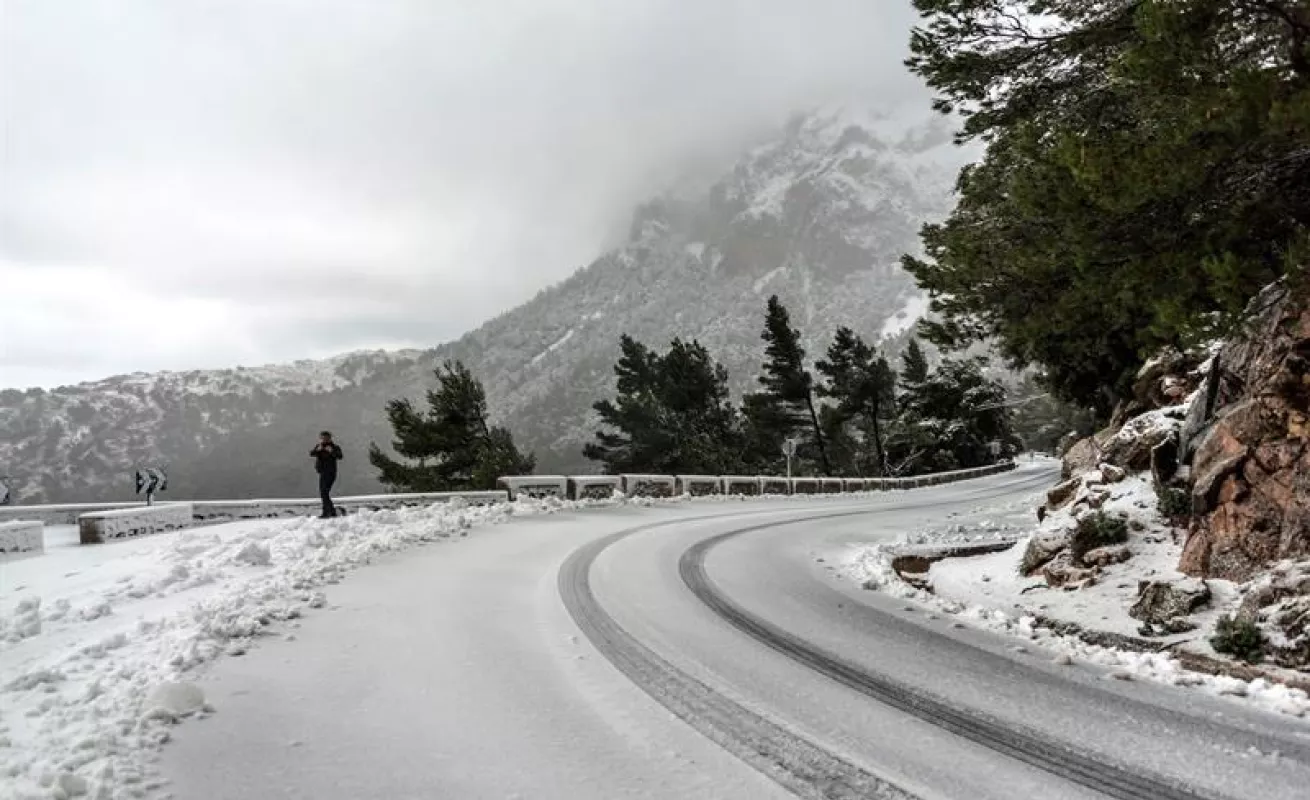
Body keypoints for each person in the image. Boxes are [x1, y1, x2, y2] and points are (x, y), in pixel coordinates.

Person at [310, 431, 344, 518]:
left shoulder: (334, 447)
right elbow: (311, 453)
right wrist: (317, 450)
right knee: (324, 493)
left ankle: (327, 512)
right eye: (322, 438)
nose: (324, 440)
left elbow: (340, 456)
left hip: (330, 473)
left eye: (325, 438)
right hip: (322, 472)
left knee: (324, 492)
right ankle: (331, 511)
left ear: (329, 438)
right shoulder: (319, 446)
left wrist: (331, 451)